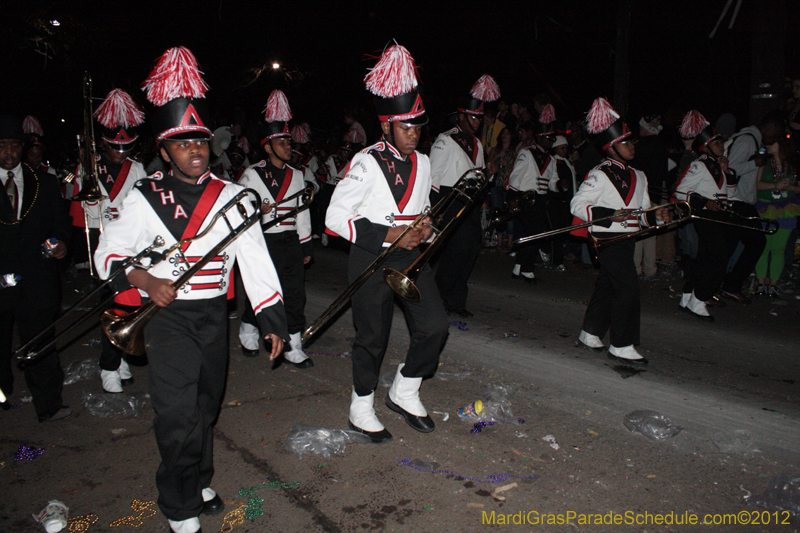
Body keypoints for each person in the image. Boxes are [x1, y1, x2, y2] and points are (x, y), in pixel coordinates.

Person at [95, 47, 288, 533]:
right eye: (182, 144)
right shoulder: (143, 199)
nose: (195, 150)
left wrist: (272, 320)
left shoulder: (233, 196)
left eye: (199, 141)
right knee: (176, 415)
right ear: (164, 151)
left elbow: (257, 264)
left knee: (206, 407)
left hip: (212, 318)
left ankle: (198, 476)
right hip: (168, 318)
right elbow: (106, 257)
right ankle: (178, 503)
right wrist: (144, 280)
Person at [325, 43, 448, 444]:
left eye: (418, 127)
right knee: (372, 336)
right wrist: (391, 233)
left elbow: (423, 206)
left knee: (434, 327)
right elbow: (333, 217)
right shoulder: (365, 161)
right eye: (406, 127)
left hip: (410, 257)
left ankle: (405, 389)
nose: (414, 134)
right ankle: (361, 404)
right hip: (370, 258)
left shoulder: (425, 162)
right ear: (386, 126)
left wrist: (426, 226)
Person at [571, 98, 669, 366]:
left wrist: (654, 216)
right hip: (606, 239)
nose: (631, 146)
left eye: (631, 141)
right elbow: (578, 205)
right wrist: (608, 214)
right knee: (627, 288)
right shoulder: (600, 174)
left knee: (608, 286)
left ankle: (589, 331)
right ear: (610, 148)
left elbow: (642, 214)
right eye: (625, 142)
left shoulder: (640, 176)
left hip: (628, 240)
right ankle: (622, 344)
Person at [0, 115, 71, 420]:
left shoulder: (45, 182)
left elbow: (61, 223)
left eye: (14, 145)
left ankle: (49, 404)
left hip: (36, 277)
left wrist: (62, 245)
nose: (9, 152)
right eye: (2, 146)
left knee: (40, 341)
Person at [238, 89, 313, 367]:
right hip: (262, 241)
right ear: (268, 147)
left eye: (289, 141)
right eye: (282, 142)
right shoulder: (252, 173)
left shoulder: (297, 174)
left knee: (294, 293)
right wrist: (258, 213)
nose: (288, 146)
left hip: (290, 241)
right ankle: (249, 324)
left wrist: (305, 244)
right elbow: (241, 213)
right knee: (263, 289)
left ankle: (294, 343)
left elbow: (302, 212)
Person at [90, 88, 149, 393]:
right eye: (115, 147)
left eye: (126, 147)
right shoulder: (88, 167)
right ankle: (108, 366)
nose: (121, 152)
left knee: (127, 306)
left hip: (131, 245)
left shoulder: (137, 169)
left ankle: (120, 357)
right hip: (100, 242)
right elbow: (79, 211)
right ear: (104, 143)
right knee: (109, 307)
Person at [430, 74, 497, 317]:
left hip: (469, 201)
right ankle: (438, 298)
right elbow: (433, 178)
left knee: (469, 251)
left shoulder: (478, 145)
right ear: (461, 115)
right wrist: (434, 210)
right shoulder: (446, 140)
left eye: (480, 117)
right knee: (456, 251)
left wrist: (489, 174)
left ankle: (456, 301)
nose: (478, 121)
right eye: (473, 116)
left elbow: (478, 177)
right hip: (449, 199)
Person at [674, 110, 737, 321]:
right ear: (706, 146)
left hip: (719, 217)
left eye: (721, 142)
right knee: (719, 256)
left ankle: (688, 295)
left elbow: (730, 194)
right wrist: (705, 202)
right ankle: (700, 298)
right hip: (704, 217)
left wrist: (727, 173)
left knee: (704, 258)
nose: (721, 145)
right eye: (717, 143)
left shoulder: (717, 165)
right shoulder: (699, 165)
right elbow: (680, 192)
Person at [720, 113, 784, 303]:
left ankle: (721, 285)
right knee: (755, 243)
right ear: (770, 129)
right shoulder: (747, 141)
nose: (776, 138)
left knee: (729, 247)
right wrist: (754, 163)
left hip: (742, 200)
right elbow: (730, 169)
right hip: (737, 200)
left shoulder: (753, 141)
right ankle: (723, 285)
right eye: (777, 134)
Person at [507, 104, 561, 281]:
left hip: (540, 200)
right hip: (524, 197)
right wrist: (513, 198)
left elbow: (552, 182)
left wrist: (561, 185)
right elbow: (515, 177)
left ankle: (519, 266)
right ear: (540, 137)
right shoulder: (526, 153)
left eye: (552, 138)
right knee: (534, 233)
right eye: (548, 138)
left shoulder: (552, 159)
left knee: (530, 234)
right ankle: (527, 268)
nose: (551, 141)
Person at [754, 136, 800, 296]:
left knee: (779, 249)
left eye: (772, 141)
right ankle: (760, 283)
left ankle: (773, 285)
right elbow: (756, 185)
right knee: (763, 247)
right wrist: (775, 185)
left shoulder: (793, 165)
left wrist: (791, 188)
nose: (768, 145)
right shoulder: (764, 162)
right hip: (765, 207)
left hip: (787, 208)